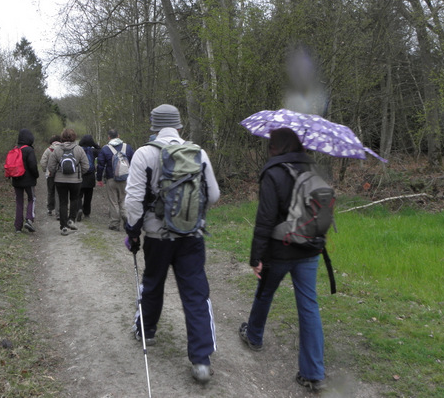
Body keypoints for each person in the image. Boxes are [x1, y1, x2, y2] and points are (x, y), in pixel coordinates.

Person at [124, 104, 220, 383]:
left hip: (157, 236)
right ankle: (201, 361)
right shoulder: (198, 152)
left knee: (153, 283)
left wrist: (133, 232)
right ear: (179, 126)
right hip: (192, 237)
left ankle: (147, 332)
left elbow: (133, 201)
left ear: (153, 127)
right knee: (195, 293)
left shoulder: (144, 153)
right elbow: (213, 195)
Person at [239, 127, 327, 392]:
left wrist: (256, 256)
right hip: (309, 250)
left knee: (265, 293)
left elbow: (265, 219)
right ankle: (313, 373)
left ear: (276, 146)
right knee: (309, 307)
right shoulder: (314, 170)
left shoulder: (273, 172)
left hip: (278, 251)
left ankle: (254, 336)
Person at [46, 128, 89, 235]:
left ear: (62, 137)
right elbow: (86, 166)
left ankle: (63, 227)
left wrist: (57, 172)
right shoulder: (79, 149)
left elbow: (50, 167)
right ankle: (71, 220)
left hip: (60, 180)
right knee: (74, 199)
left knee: (63, 202)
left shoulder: (57, 150)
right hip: (75, 181)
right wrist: (79, 174)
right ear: (74, 137)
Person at [96, 129, 135, 231]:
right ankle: (126, 216)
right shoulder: (128, 147)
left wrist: (99, 178)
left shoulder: (105, 149)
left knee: (113, 202)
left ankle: (114, 224)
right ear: (119, 135)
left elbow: (100, 165)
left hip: (111, 179)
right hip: (126, 179)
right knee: (124, 200)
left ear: (109, 137)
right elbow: (134, 162)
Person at [11, 128, 39, 233]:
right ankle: (29, 219)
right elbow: (33, 166)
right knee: (32, 198)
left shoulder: (15, 149)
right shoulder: (29, 150)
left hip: (16, 180)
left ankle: (18, 226)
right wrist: (36, 176)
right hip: (28, 181)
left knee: (19, 202)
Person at [78, 134, 100, 221]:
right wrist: (94, 144)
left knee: (78, 195)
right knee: (88, 196)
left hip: (80, 175)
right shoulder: (93, 151)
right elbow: (101, 150)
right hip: (90, 176)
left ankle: (78, 209)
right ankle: (86, 213)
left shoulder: (78, 150)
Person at [39, 135, 61, 217]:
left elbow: (43, 162)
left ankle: (50, 209)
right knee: (58, 193)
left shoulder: (48, 150)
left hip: (50, 174)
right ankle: (58, 212)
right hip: (60, 174)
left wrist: (46, 170)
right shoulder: (62, 149)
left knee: (50, 191)